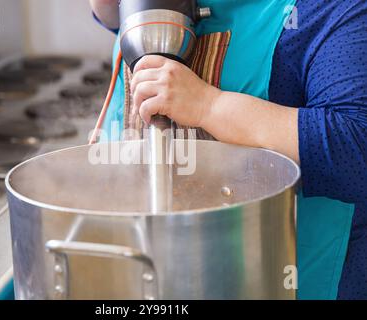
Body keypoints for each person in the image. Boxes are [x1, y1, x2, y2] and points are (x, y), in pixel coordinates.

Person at [89, 0, 367, 300]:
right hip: (140, 272)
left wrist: (208, 106)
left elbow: (356, 146)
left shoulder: (330, 10)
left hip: (279, 280)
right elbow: (116, 14)